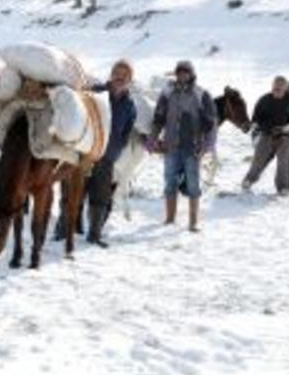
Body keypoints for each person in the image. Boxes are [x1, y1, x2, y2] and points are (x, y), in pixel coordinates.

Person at [148, 60, 216, 232]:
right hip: (171, 146)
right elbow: (158, 119)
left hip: (193, 147)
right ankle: (170, 218)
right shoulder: (167, 93)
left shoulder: (201, 94)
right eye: (179, 72)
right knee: (169, 182)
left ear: (192, 74)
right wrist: (152, 138)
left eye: (186, 72)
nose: (182, 75)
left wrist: (208, 145)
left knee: (193, 184)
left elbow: (211, 122)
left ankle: (193, 222)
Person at [84, 60, 137, 247]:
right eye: (117, 73)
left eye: (125, 75)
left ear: (130, 79)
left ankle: (94, 234)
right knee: (75, 192)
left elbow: (127, 132)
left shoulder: (130, 105)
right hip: (85, 152)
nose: (120, 77)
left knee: (100, 196)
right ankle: (63, 231)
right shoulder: (96, 92)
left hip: (107, 157)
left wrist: (116, 148)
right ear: (111, 74)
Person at [242, 76, 289, 195]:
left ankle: (282, 187)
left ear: (285, 89)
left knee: (283, 161)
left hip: (286, 134)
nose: (276, 91)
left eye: (279, 89)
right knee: (258, 158)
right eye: (274, 88)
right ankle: (249, 180)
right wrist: (255, 124)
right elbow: (256, 117)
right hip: (267, 133)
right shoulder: (264, 100)